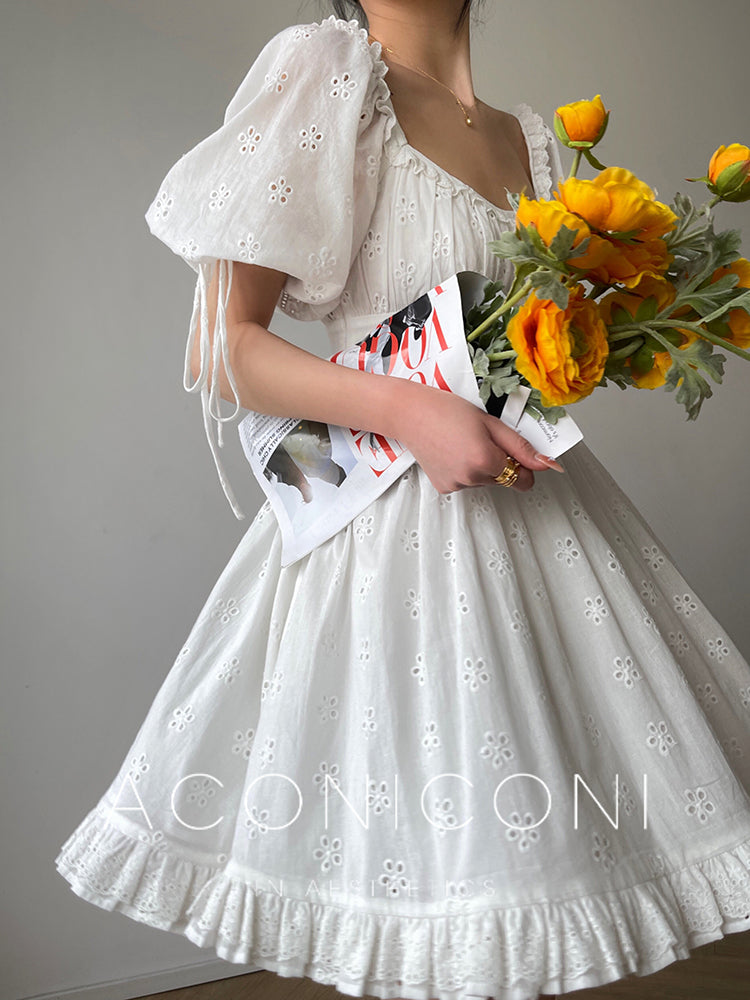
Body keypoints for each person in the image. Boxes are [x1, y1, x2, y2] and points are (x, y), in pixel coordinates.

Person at [54, 2, 750, 999]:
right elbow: (221, 346)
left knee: (540, 881)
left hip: (534, 519)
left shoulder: (531, 141)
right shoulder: (329, 72)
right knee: (426, 881)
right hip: (383, 542)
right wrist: (412, 412)